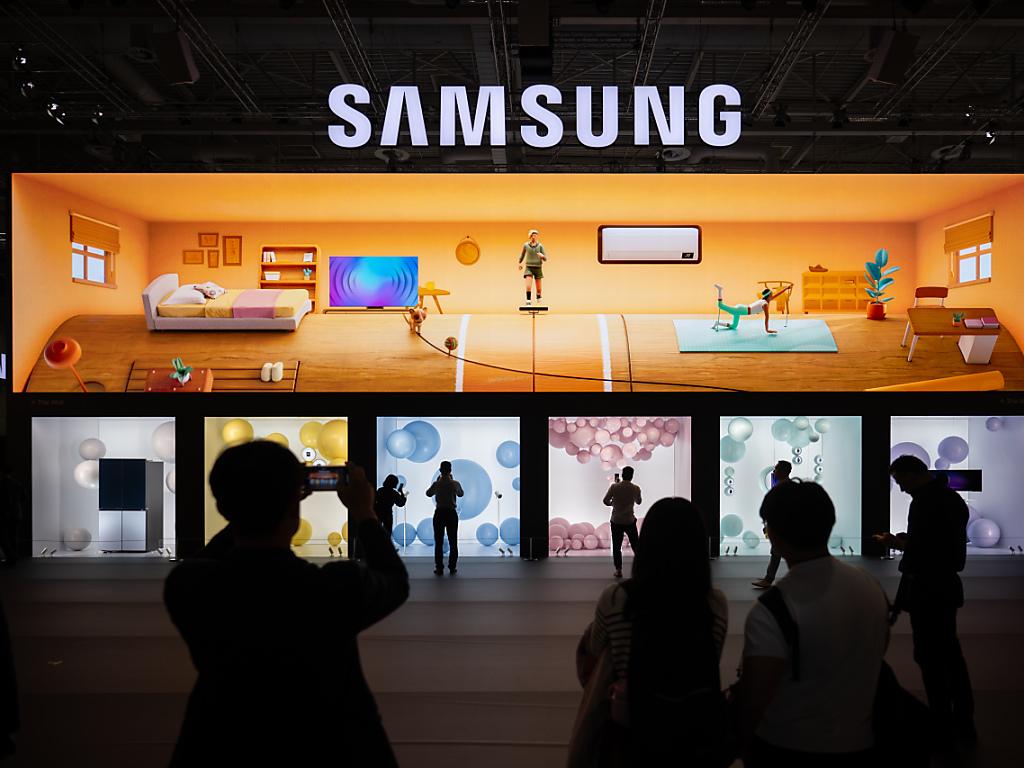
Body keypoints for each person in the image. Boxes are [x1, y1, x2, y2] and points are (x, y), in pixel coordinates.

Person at [164, 441, 408, 767]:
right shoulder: (334, 588)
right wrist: (365, 512)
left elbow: (203, 561)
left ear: (223, 508)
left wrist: (254, 505)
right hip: (333, 744)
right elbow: (395, 579)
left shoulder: (189, 586)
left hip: (219, 742)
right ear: (294, 508)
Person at [739, 480, 889, 766]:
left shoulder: (772, 609)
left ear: (774, 535)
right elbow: (879, 649)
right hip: (861, 743)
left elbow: (755, 696)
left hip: (787, 746)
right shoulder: (870, 587)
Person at [575, 498, 728, 766]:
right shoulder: (714, 604)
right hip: (695, 734)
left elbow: (595, 653)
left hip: (632, 729)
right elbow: (712, 657)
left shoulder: (616, 599)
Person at [875, 455, 975, 743]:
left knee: (932, 657)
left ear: (913, 474)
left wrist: (897, 543)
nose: (901, 487)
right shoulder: (949, 498)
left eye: (900, 481)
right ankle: (961, 721)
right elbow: (939, 545)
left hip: (930, 589)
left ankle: (943, 721)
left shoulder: (926, 502)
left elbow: (925, 550)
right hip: (943, 587)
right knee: (948, 655)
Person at [752, 460, 792, 589]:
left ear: (783, 472)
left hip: (783, 527)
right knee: (777, 552)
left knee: (778, 552)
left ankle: (769, 579)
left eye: (776, 469)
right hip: (781, 526)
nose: (774, 472)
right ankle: (769, 578)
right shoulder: (782, 486)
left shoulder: (785, 488)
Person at [603, 466, 642, 578]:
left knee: (616, 546)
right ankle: (641, 567)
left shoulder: (614, 487)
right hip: (629, 520)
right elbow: (639, 501)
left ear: (622, 474)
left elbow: (605, 501)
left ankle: (618, 570)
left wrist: (613, 503)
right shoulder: (636, 488)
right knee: (635, 545)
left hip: (616, 520)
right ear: (632, 476)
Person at [426, 460, 464, 575]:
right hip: (451, 513)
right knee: (453, 541)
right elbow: (461, 494)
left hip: (439, 513)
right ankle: (452, 567)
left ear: (440, 470)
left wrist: (438, 481)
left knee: (438, 542)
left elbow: (428, 493)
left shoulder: (436, 484)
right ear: (450, 470)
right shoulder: (455, 483)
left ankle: (439, 568)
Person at [712, 282, 792, 334]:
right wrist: (767, 329)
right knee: (720, 306)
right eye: (771, 294)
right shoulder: (765, 304)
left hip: (742, 309)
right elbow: (767, 317)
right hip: (741, 310)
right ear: (769, 296)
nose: (773, 295)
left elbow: (777, 295)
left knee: (734, 326)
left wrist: (786, 288)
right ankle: (720, 290)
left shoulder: (765, 300)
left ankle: (718, 323)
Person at [518, 228, 547, 306]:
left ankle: (538, 297)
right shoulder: (526, 245)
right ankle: (528, 300)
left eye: (535, 235)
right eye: (533, 235)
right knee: (528, 286)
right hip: (529, 267)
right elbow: (522, 255)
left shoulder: (540, 246)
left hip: (538, 268)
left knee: (539, 288)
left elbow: (545, 258)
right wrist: (520, 263)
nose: (534, 237)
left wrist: (542, 256)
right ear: (530, 236)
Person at [374, 474, 407, 540]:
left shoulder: (380, 490)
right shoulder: (394, 493)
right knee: (387, 532)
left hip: (378, 512)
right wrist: (401, 492)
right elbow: (401, 504)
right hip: (387, 514)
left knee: (376, 531)